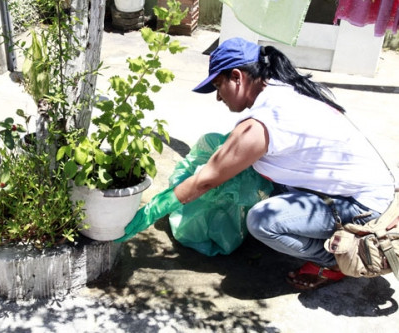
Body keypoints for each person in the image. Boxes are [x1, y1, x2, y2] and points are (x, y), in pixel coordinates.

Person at [117, 37, 395, 290]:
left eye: (217, 86)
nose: (218, 97)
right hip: (355, 188)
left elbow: (206, 180)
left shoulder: (263, 122)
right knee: (237, 162)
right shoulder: (283, 91)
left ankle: (341, 257)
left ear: (237, 77)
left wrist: (149, 213)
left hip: (362, 205)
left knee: (262, 220)